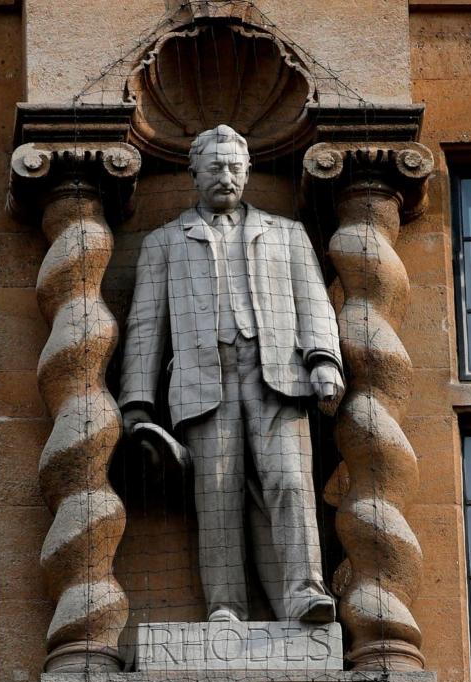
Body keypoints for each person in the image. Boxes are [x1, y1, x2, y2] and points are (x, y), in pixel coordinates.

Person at [119, 124, 345, 624]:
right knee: (217, 494)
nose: (226, 175)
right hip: (203, 380)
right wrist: (137, 405)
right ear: (194, 173)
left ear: (248, 173)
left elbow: (314, 301)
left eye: (234, 167)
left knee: (290, 482)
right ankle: (225, 605)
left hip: (279, 375)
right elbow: (145, 324)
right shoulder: (164, 242)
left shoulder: (285, 233)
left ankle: (305, 592)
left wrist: (324, 359)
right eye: (215, 166)